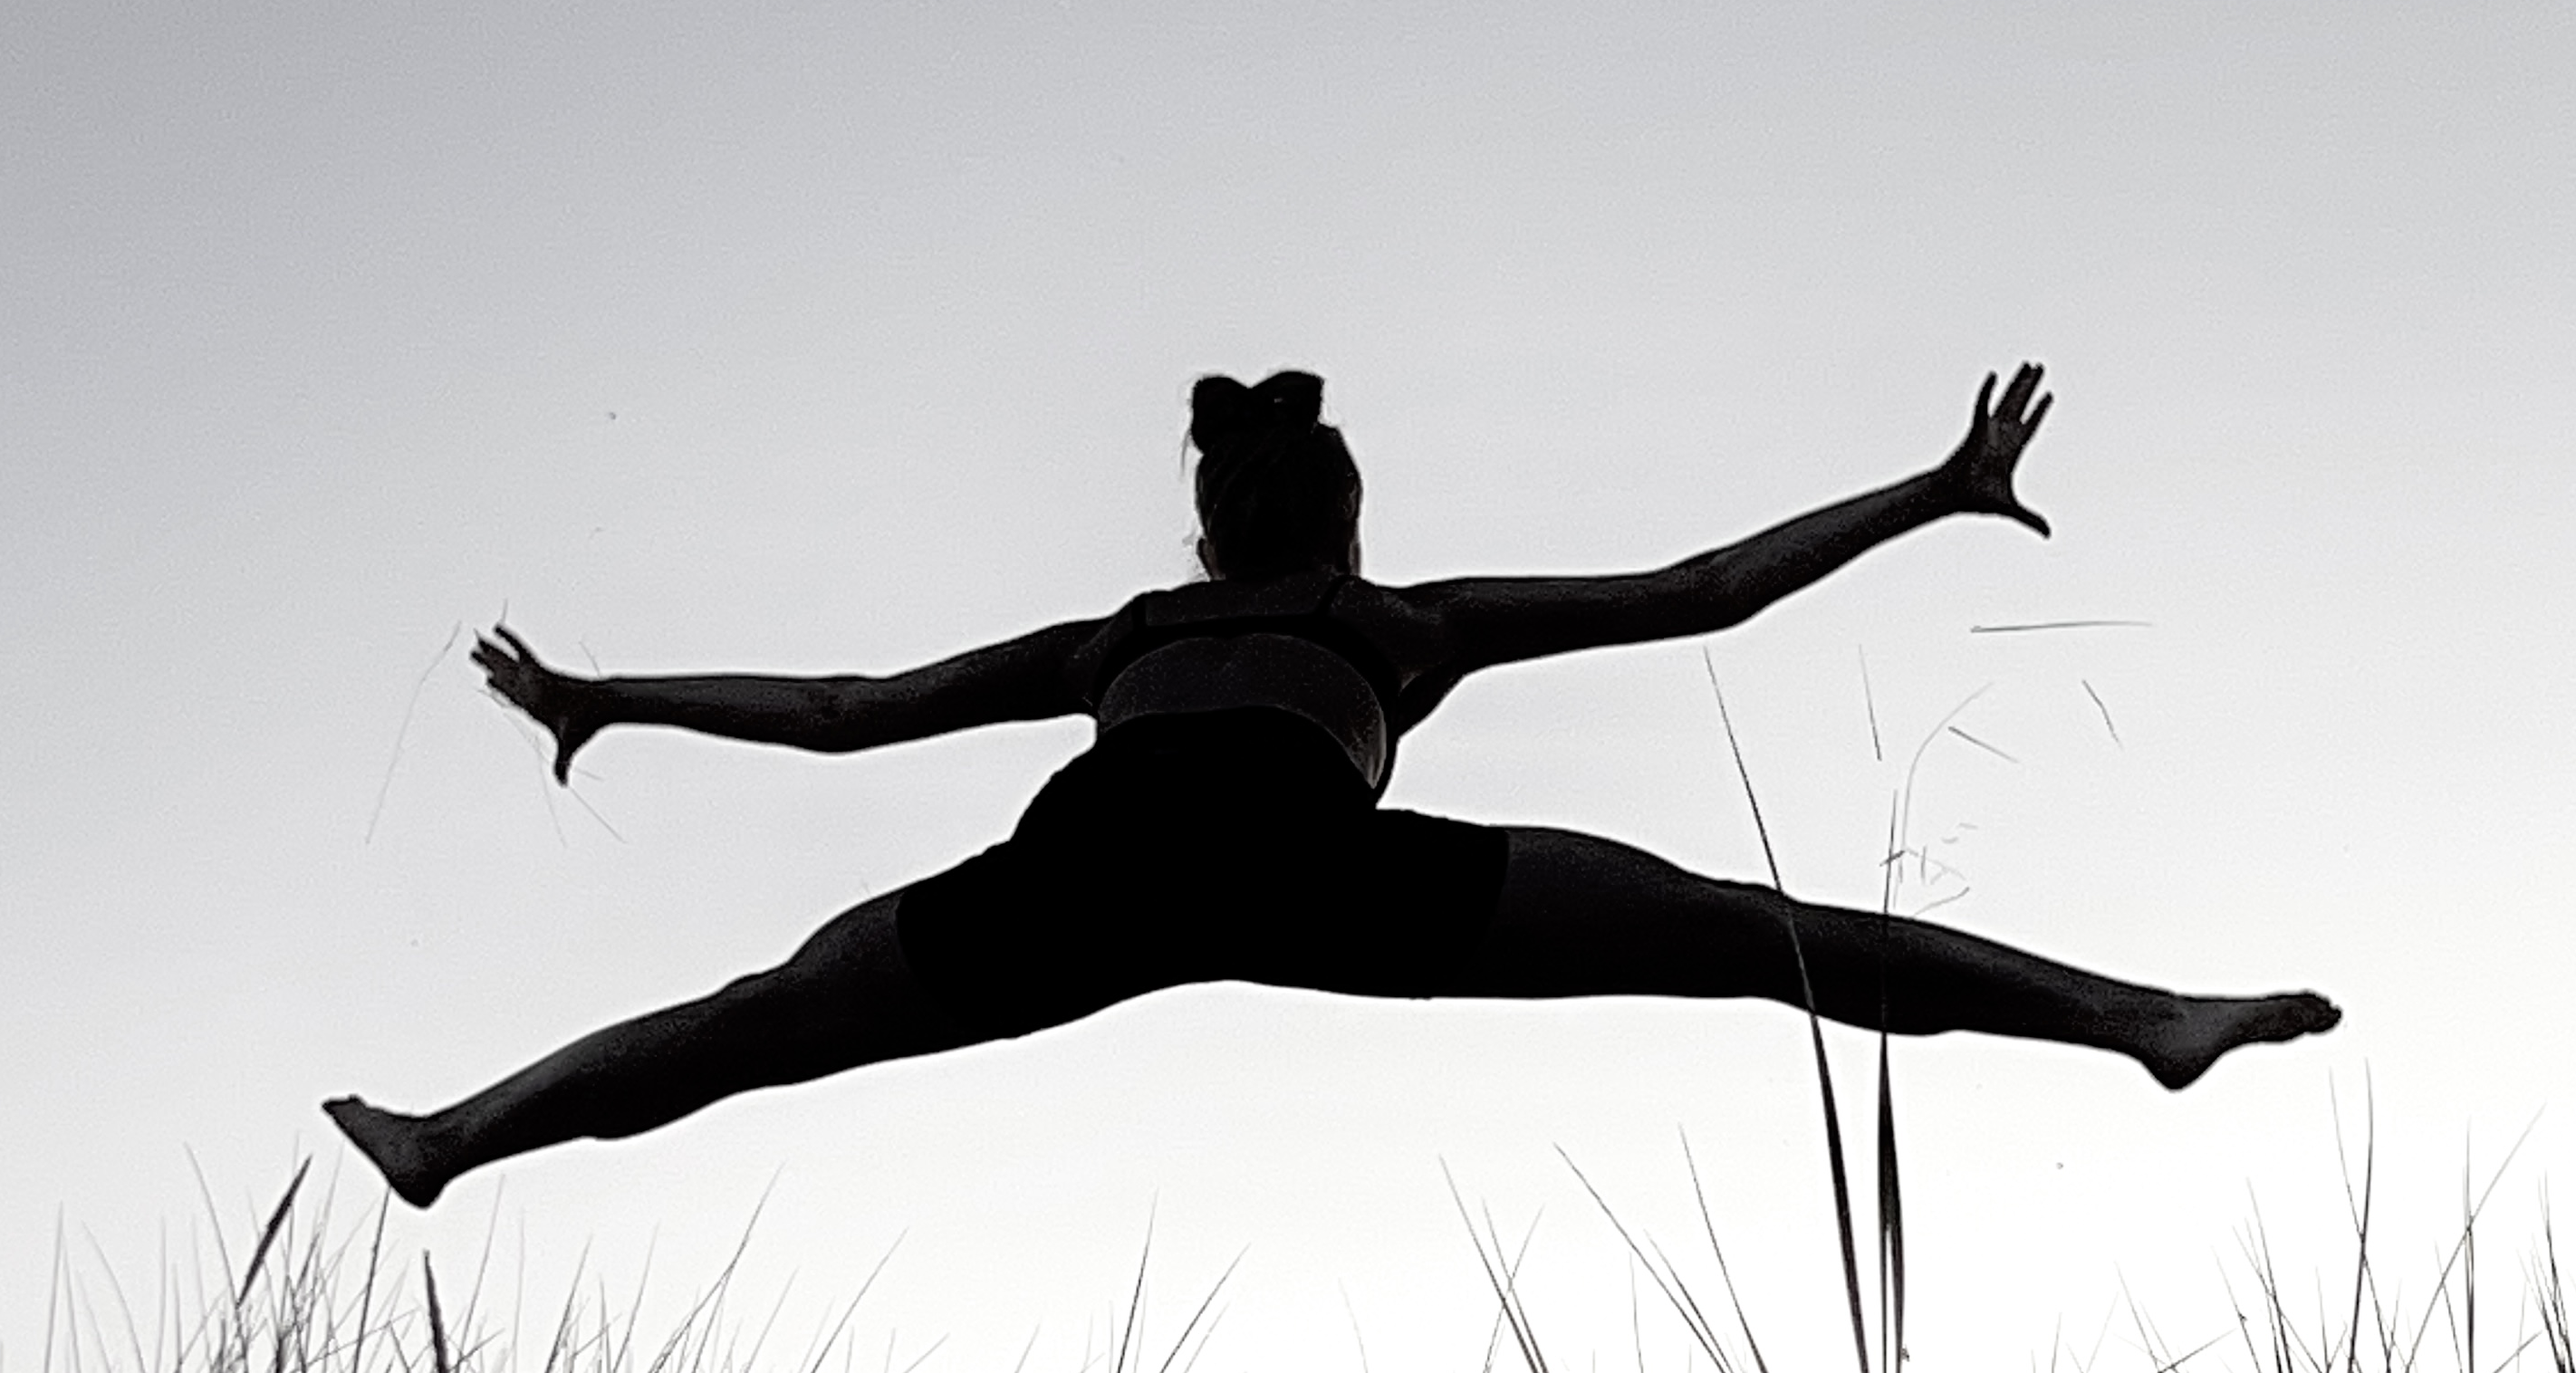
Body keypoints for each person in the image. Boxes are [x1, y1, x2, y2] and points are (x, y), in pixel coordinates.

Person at [326, 364, 2337, 1209]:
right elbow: (854, 704)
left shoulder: (1402, 623)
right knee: (757, 1026)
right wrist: (616, 693)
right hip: (1118, 882)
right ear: (1267, 512)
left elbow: (1705, 589)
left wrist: (1930, 491)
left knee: (1748, 936)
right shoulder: (1141, 633)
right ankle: (453, 1137)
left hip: (1284, 874)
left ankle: (2137, 1018)